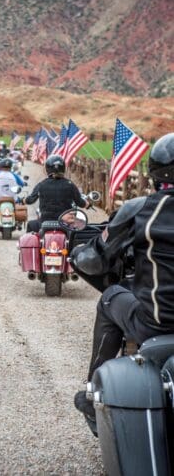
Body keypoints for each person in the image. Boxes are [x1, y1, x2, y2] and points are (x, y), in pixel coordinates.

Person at [72, 133, 174, 422]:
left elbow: (93, 261)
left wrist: (79, 253)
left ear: (155, 172)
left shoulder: (141, 208)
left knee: (109, 299)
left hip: (157, 323)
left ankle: (93, 395)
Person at [23, 155, 89, 233]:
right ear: (63, 168)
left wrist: (24, 200)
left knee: (31, 225)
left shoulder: (41, 185)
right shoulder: (70, 184)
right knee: (80, 229)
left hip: (45, 222)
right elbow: (80, 203)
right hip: (65, 222)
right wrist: (87, 204)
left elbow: (31, 200)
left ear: (47, 169)